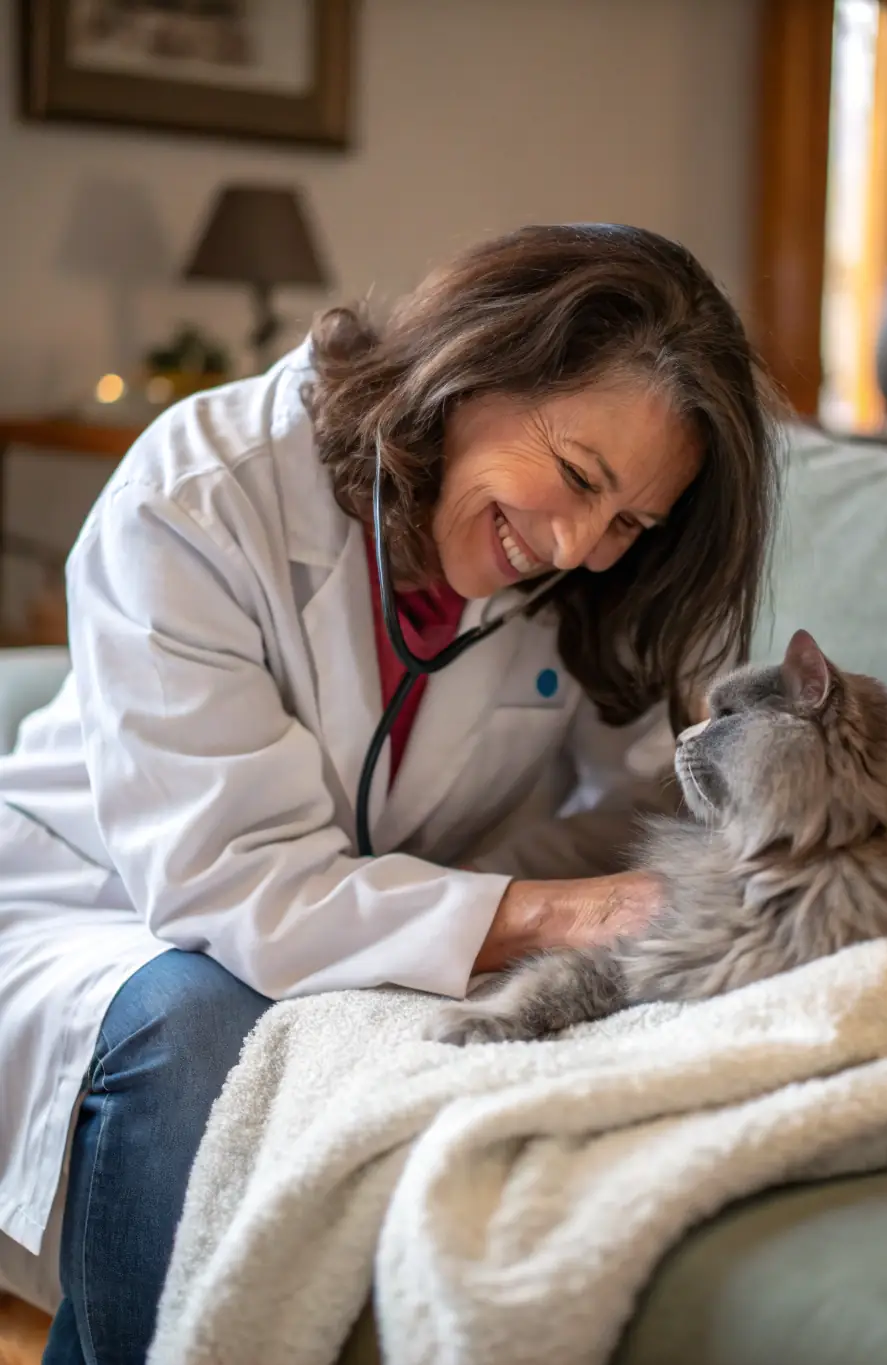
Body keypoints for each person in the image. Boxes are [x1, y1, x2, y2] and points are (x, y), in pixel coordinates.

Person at [0, 223, 779, 1363]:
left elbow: (643, 806)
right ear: (473, 371)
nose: (579, 546)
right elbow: (239, 889)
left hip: (373, 933)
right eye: (575, 478)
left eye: (629, 523)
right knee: (200, 1024)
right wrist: (573, 912)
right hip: (98, 910)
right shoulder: (205, 491)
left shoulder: (591, 583)